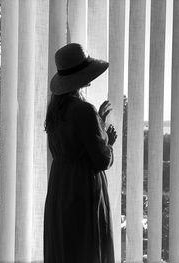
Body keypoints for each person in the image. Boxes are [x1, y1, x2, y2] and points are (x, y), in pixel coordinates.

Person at [43, 42, 117, 263]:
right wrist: (108, 140)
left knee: (65, 248)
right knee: (88, 248)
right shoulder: (84, 110)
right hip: (83, 192)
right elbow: (102, 159)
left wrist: (98, 124)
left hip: (60, 189)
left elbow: (72, 146)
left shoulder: (55, 112)